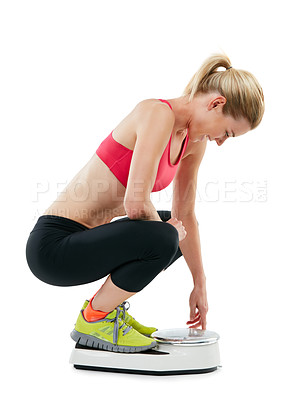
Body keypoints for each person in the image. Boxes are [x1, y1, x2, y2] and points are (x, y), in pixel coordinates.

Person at [25, 53, 265, 353]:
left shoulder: (194, 143)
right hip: (53, 247)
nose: (220, 141)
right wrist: (167, 235)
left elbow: (185, 215)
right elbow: (136, 204)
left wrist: (199, 284)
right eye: (227, 132)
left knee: (174, 230)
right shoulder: (157, 113)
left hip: (85, 242)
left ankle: (106, 312)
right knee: (165, 233)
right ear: (216, 104)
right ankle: (95, 318)